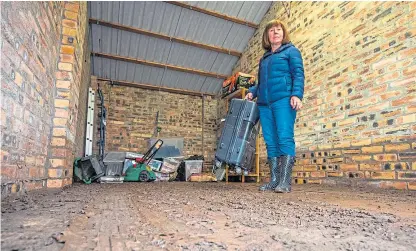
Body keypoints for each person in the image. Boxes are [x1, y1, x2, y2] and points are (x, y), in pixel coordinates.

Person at [245, 19, 304, 193]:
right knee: (270, 141)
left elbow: (298, 74)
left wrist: (296, 94)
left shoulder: (292, 51)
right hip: (264, 104)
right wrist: (253, 91)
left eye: (278, 30)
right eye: (271, 30)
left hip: (283, 100)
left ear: (283, 34)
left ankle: (285, 181)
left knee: (284, 137)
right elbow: (261, 82)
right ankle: (274, 180)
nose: (275, 32)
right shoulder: (264, 59)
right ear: (267, 36)